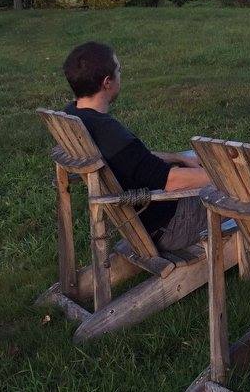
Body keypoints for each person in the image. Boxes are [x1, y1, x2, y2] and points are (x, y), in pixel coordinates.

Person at [61, 41, 209, 254]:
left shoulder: (75, 115)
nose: (121, 75)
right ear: (107, 82)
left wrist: (181, 158)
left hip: (139, 223)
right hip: (169, 225)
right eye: (118, 70)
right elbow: (171, 181)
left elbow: (134, 161)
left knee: (198, 161)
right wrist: (225, 175)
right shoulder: (108, 131)